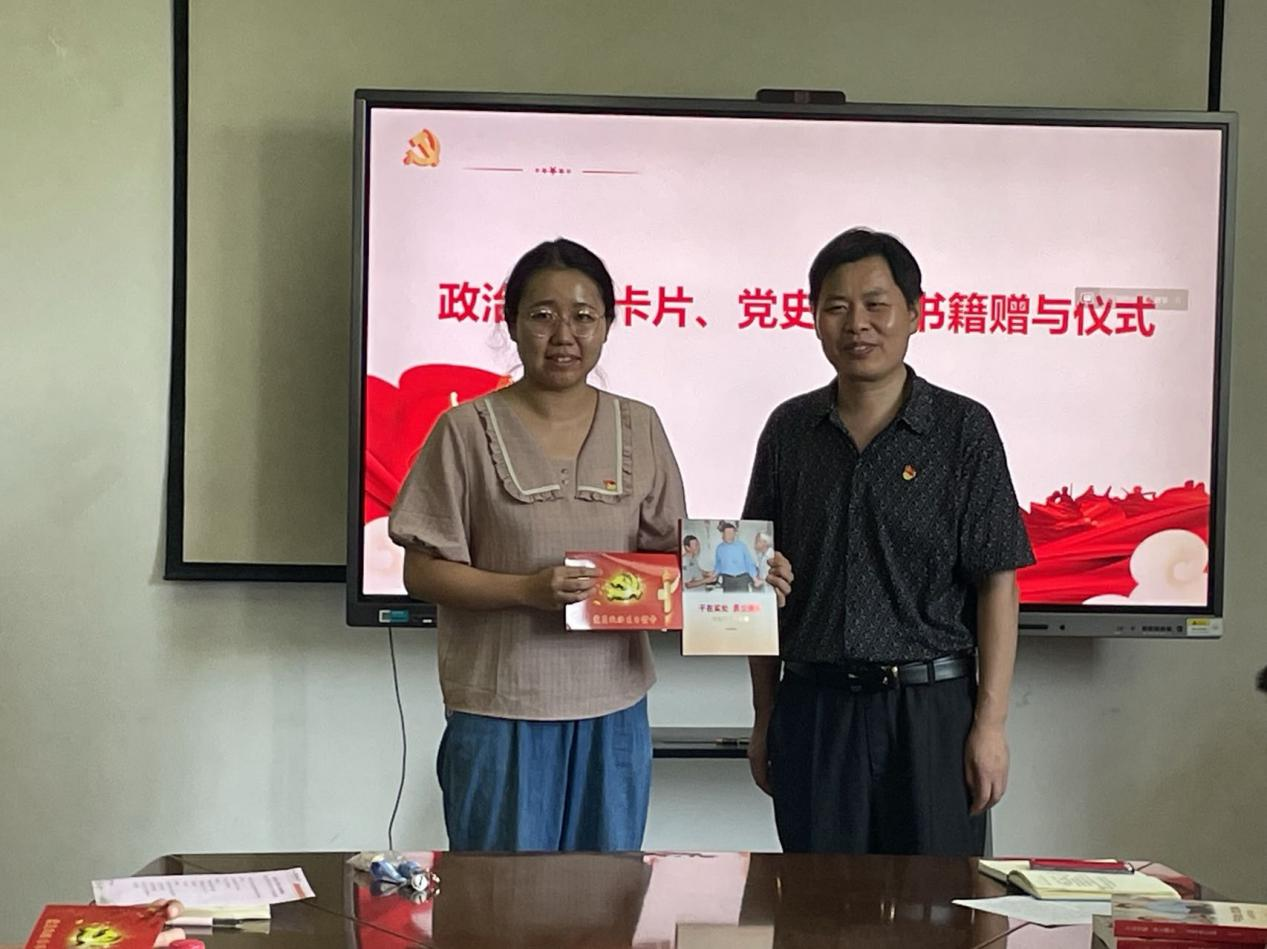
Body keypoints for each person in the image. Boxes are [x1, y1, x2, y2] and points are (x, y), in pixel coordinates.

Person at [389, 239, 793, 851]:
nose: (564, 335)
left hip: (613, 710)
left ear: (607, 324)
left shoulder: (640, 425)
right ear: (511, 323)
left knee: (605, 894)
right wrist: (525, 590)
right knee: (501, 897)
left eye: (583, 316)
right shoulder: (464, 430)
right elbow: (422, 572)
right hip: (501, 711)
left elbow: (674, 567)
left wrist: (756, 580)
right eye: (542, 315)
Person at [743, 227, 1034, 856]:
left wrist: (990, 724)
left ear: (915, 313)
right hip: (815, 708)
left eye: (876, 305)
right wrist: (765, 715)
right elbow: (752, 584)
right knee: (819, 902)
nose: (858, 324)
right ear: (814, 319)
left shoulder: (963, 429)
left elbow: (997, 582)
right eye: (837, 307)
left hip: (931, 711)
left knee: (938, 901)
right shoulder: (789, 430)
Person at [713, 520, 760, 592]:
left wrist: (755, 579)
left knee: (743, 598)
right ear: (723, 534)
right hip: (727, 580)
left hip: (742, 579)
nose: (730, 536)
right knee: (729, 599)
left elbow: (749, 562)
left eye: (732, 533)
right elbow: (718, 565)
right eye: (727, 533)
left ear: (735, 534)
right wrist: (714, 575)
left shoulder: (742, 546)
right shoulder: (719, 548)